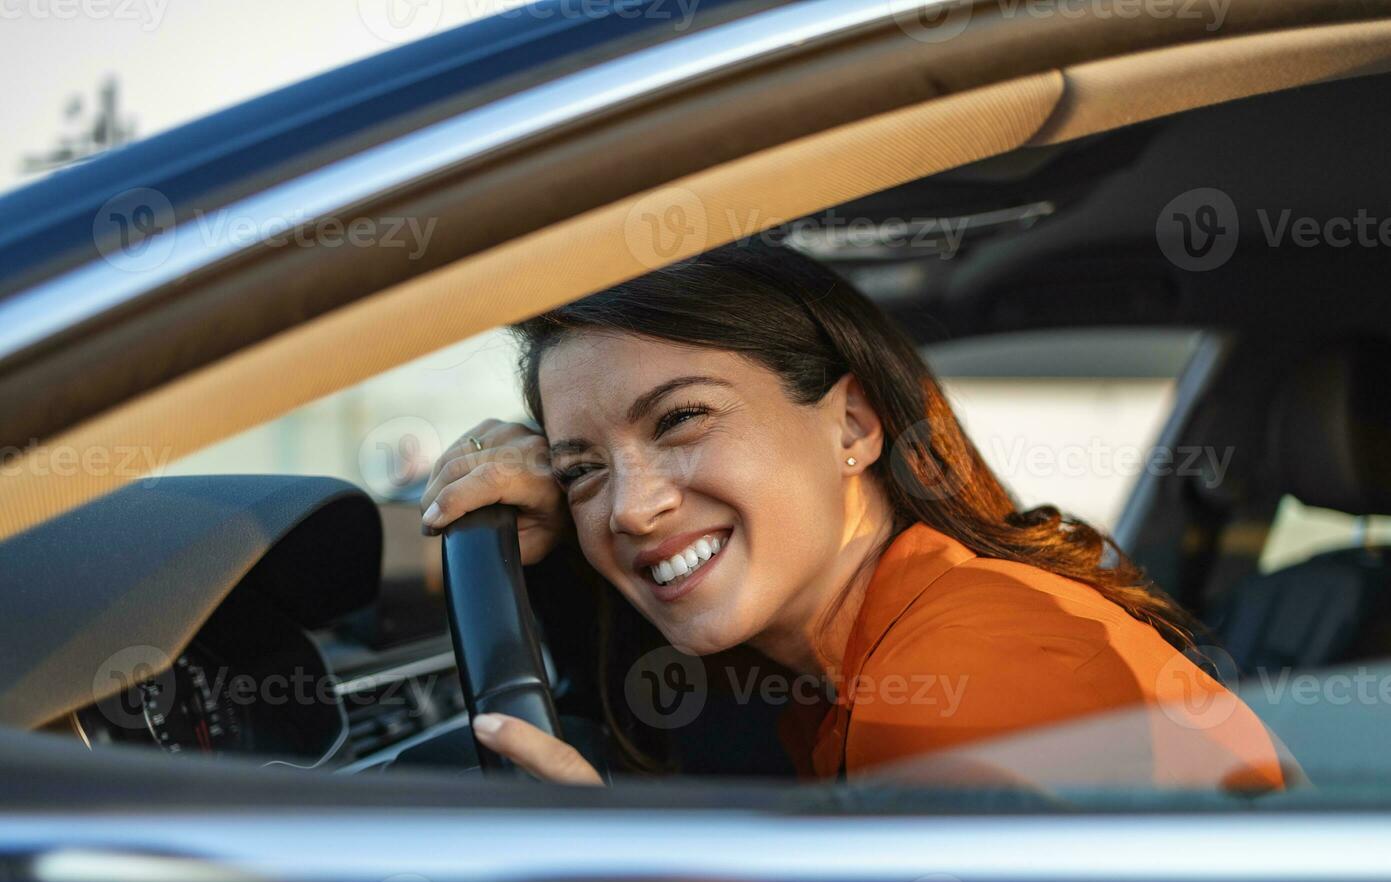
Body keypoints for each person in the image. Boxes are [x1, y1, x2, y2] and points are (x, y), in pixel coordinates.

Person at [419, 243, 1285, 791]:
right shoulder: (846, 668)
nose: (634, 509)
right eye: (582, 469)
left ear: (855, 426)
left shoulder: (961, 676)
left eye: (682, 419)